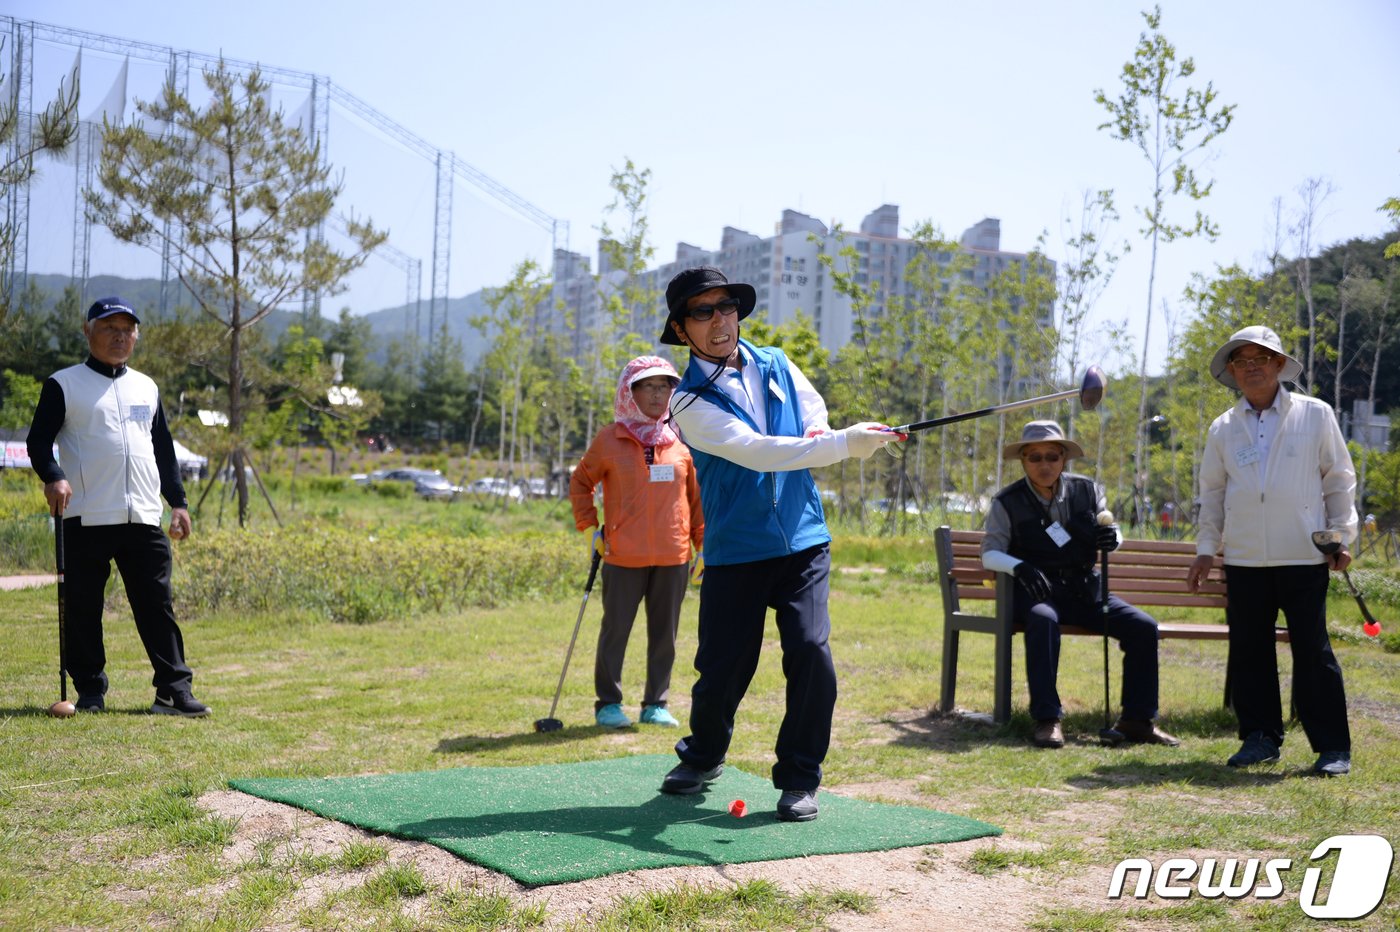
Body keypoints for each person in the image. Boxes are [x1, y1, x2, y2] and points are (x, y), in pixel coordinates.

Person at [656, 265, 901, 822]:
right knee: (722, 668)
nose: (720, 319)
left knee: (812, 652)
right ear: (681, 327)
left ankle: (799, 777)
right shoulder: (687, 402)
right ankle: (704, 754)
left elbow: (811, 421)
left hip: (803, 540)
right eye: (703, 311)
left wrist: (830, 435)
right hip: (737, 549)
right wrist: (842, 446)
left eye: (727, 306)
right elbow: (759, 450)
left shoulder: (777, 362)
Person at [26, 297, 210, 717]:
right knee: (83, 608)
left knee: (157, 605)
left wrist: (178, 504)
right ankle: (90, 691)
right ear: (88, 332)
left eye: (127, 329)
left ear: (136, 335)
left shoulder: (147, 386)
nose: (119, 336)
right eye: (109, 328)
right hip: (85, 514)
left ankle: (173, 692)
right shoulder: (63, 384)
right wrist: (54, 475)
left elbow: (163, 451)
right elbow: (39, 442)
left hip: (143, 516)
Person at [1187, 326, 1356, 776]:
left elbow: (1338, 479)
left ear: (1280, 365)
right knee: (1249, 649)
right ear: (1232, 371)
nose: (1252, 367)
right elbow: (1212, 493)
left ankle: (1332, 747)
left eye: (1262, 358)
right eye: (1242, 360)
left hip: (1303, 553)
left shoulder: (1316, 414)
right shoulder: (1223, 427)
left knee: (1312, 649)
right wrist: (1207, 549)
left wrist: (1341, 535)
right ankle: (1259, 738)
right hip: (1243, 559)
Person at [982, 420, 1179, 749]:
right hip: (1038, 593)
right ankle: (1047, 719)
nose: (1044, 464)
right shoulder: (1007, 501)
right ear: (1023, 461)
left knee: (1143, 627)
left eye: (1051, 456)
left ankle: (1138, 721)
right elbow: (989, 554)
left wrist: (1111, 538)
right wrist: (1021, 567)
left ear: (1063, 458)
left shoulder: (1088, 489)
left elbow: (1112, 531)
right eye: (1034, 458)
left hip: (1086, 590)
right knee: (1043, 620)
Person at [570, 355, 704, 729]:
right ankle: (608, 704)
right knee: (616, 631)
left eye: (665, 387)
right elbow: (581, 482)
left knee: (666, 635)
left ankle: (655, 703)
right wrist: (589, 528)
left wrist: (702, 545)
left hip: (673, 555)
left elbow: (696, 498)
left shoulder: (680, 441)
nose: (659, 395)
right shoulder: (608, 440)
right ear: (631, 392)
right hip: (621, 556)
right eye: (650, 387)